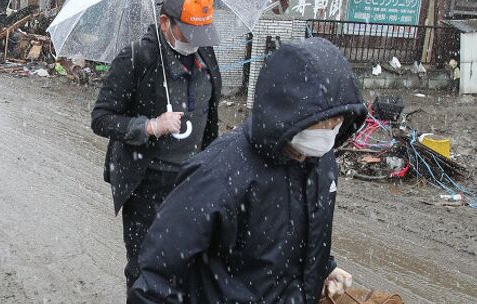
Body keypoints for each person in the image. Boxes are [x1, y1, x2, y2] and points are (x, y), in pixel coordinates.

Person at [128, 38, 368, 303]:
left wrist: (324, 268)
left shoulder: (321, 162)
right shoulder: (217, 175)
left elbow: (303, 232)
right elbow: (157, 279)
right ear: (287, 113)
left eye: (338, 122)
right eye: (321, 123)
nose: (328, 134)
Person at [91, 0, 222, 289]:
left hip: (193, 181)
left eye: (202, 34)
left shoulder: (206, 54)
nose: (196, 42)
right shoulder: (137, 57)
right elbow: (102, 118)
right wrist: (149, 126)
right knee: (146, 269)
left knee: (190, 266)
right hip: (148, 182)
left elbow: (211, 116)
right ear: (166, 23)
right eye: (189, 32)